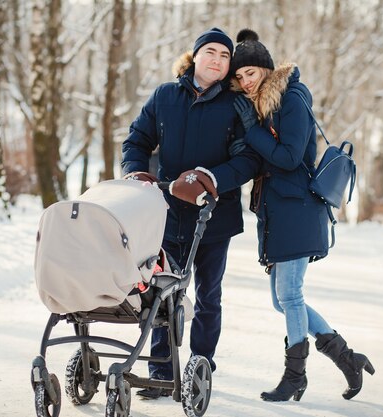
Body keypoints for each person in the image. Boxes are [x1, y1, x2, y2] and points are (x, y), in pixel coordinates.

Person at [228, 29, 375, 402]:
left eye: (251, 73)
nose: (246, 82)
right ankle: (347, 358)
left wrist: (251, 132)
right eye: (240, 77)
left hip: (296, 208)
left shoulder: (292, 98)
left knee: (290, 296)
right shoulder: (263, 105)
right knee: (282, 300)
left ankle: (295, 376)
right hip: (278, 212)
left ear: (266, 68)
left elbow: (291, 158)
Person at [121, 27, 261, 399]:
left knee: (208, 296)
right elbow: (137, 140)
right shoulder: (165, 96)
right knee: (160, 294)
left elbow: (247, 158)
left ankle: (200, 367)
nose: (216, 60)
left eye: (224, 56)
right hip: (165, 213)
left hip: (214, 216)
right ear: (195, 56)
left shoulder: (235, 105)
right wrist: (136, 173)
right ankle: (160, 372)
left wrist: (211, 179)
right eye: (210, 52)